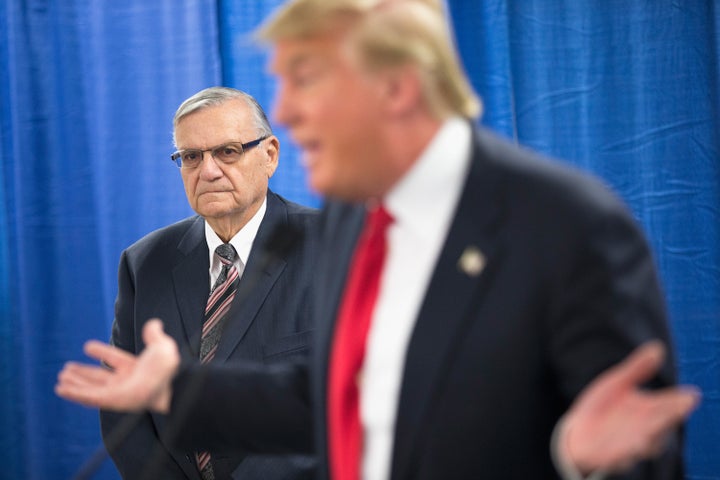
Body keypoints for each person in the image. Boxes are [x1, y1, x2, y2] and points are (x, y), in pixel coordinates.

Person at [58, 1, 701, 479]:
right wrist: (173, 390)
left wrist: (569, 461)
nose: (290, 111)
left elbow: (637, 448)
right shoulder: (351, 220)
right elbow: (332, 397)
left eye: (306, 81)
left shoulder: (567, 224)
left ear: (395, 88)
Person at [99, 87, 318, 480]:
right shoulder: (145, 261)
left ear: (270, 155)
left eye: (228, 151)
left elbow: (346, 400)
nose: (209, 170)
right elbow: (125, 411)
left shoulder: (333, 247)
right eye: (191, 157)